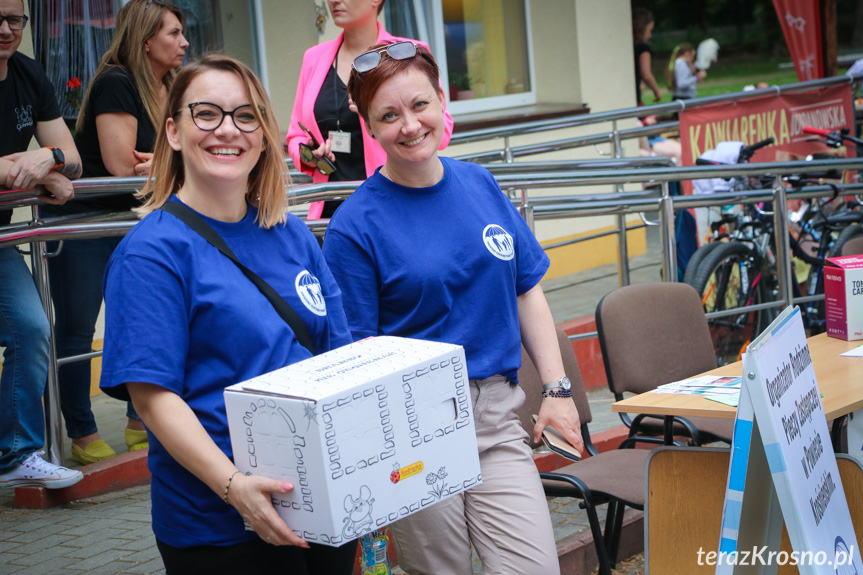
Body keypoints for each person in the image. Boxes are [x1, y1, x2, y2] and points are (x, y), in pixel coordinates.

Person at [322, 42, 585, 575]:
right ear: (370, 128)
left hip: (496, 416)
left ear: (442, 102)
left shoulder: (480, 184)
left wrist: (557, 391)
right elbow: (357, 356)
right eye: (389, 116)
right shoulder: (355, 225)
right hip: (414, 428)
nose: (410, 125)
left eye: (419, 105)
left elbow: (526, 289)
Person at [99, 53, 356, 575]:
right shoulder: (152, 252)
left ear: (263, 135)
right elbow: (153, 397)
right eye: (207, 114)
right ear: (173, 131)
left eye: (245, 116)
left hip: (324, 506)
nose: (228, 130)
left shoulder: (290, 234)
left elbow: (341, 358)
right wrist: (235, 487)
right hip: (220, 527)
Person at [43, 0, 189, 465]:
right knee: (77, 332)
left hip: (134, 223)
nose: (184, 42)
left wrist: (166, 161)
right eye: (174, 33)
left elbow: (182, 153)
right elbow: (123, 165)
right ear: (146, 40)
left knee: (142, 324)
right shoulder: (116, 82)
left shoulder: (171, 86)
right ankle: (81, 434)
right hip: (84, 224)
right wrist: (171, 161)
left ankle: (138, 421)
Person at [0, 0, 82, 489]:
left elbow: (70, 157)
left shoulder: (29, 74)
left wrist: (47, 159)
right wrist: (26, 165)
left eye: (15, 20)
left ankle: (16, 453)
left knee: (32, 329)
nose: (7, 30)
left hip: (2, 236)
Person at [286, 0, 454, 220]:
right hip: (330, 208)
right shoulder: (313, 58)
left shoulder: (407, 52)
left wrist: (378, 115)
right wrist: (308, 154)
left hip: (392, 202)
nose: (334, 1)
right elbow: (295, 135)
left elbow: (442, 130)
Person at [632, 7, 662, 105]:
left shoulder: (627, 46)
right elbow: (646, 74)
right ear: (641, 29)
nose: (650, 35)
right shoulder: (643, 48)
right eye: (650, 30)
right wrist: (656, 91)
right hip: (634, 97)